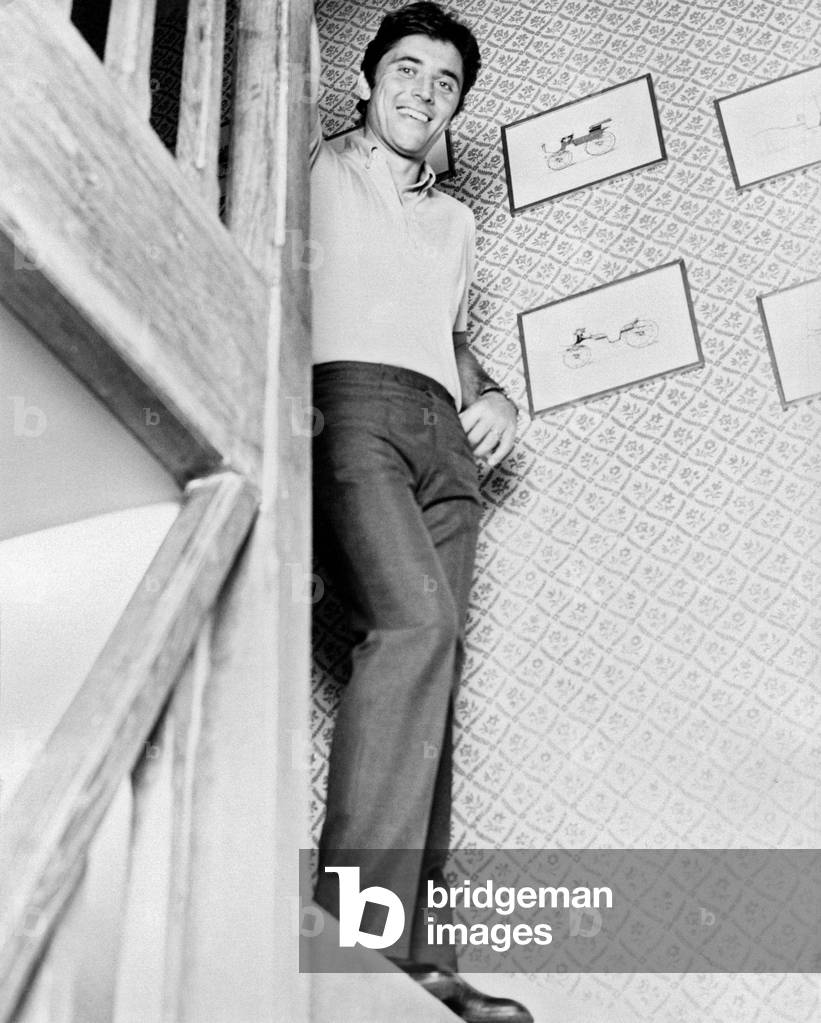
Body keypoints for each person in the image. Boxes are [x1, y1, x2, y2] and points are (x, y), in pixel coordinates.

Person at [309, 5, 531, 1021]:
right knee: (413, 628)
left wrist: (496, 397)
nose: (423, 93)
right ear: (365, 80)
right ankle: (349, 942)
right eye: (405, 69)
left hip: (445, 439)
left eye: (445, 84)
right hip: (347, 406)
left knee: (429, 671)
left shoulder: (455, 221)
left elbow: (448, 338)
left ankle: (413, 963)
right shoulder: (312, 168)